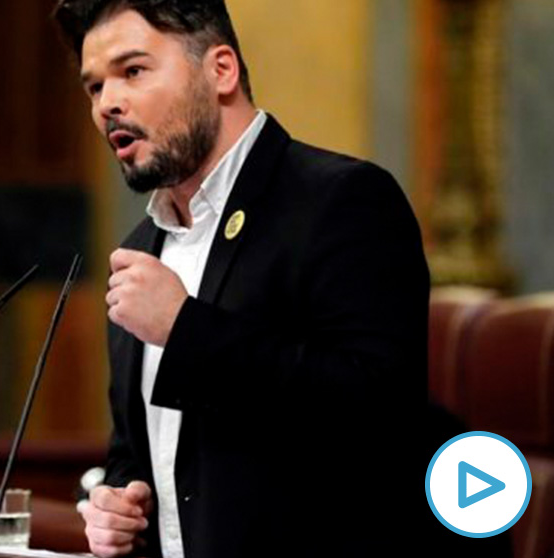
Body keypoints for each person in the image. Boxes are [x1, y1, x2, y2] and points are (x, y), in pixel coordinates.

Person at [52, 1, 431, 557]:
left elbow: (378, 411)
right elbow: (139, 448)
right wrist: (118, 504)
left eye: (133, 71)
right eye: (93, 88)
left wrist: (185, 329)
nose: (108, 103)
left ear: (220, 70)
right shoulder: (138, 252)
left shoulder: (342, 200)